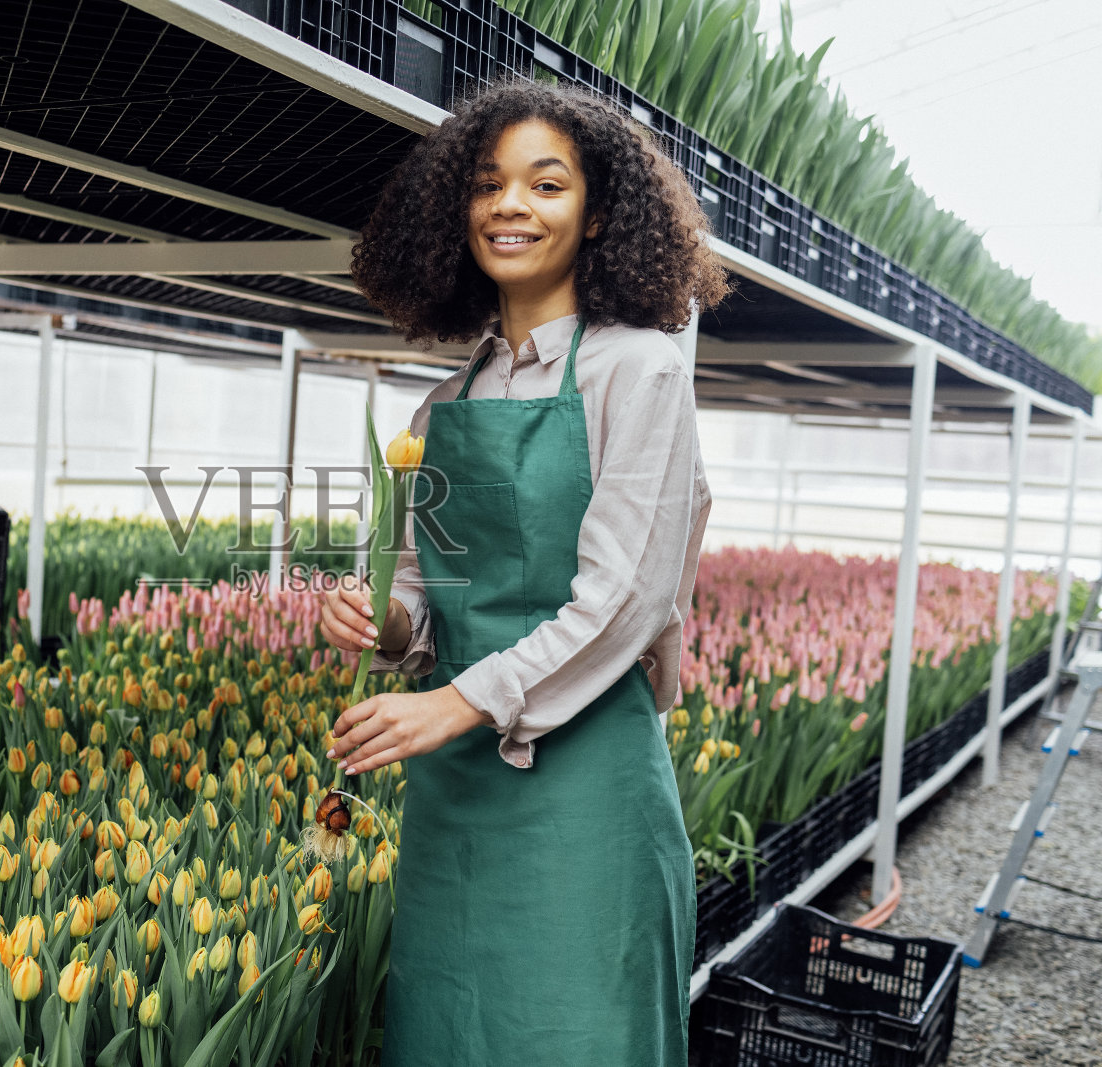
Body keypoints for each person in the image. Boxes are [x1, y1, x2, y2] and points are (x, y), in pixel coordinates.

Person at [318, 75, 731, 1064]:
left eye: (546, 185)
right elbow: (427, 584)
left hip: (582, 780)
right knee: (450, 1023)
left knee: (576, 1031)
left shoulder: (639, 368)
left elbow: (627, 594)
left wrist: (455, 701)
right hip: (455, 791)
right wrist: (386, 621)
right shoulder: (441, 404)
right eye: (486, 183)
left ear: (596, 216)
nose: (511, 205)